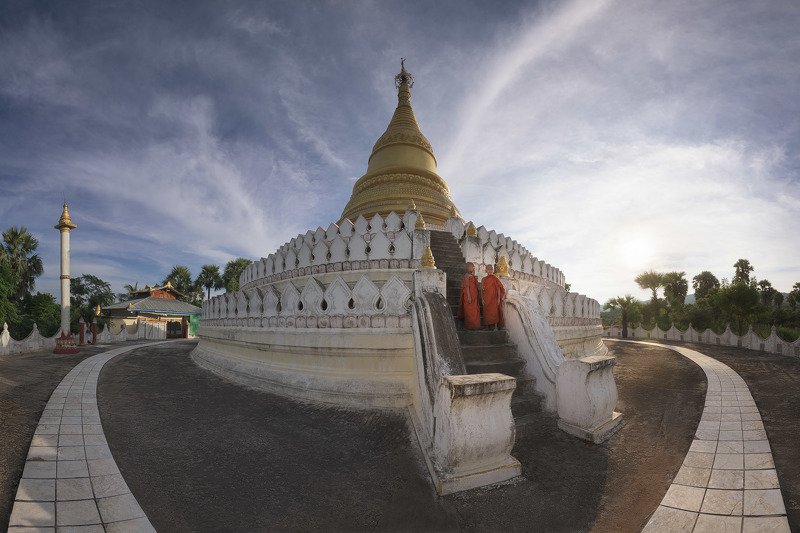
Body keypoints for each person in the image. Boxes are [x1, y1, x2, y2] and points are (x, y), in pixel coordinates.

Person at [481, 264, 506, 330]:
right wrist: (482, 299)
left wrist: (498, 299)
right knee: (486, 312)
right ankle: (486, 326)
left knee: (493, 313)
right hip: (486, 298)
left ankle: (492, 326)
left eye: (491, 269)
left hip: (493, 299)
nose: (490, 270)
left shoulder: (495, 278)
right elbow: (481, 290)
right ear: (486, 270)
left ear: (493, 270)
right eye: (488, 269)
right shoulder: (483, 279)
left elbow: (499, 288)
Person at [457, 262, 481, 330]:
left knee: (474, 311)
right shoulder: (467, 276)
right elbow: (467, 286)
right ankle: (469, 326)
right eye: (471, 267)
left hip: (474, 296)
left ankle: (475, 326)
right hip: (469, 295)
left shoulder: (472, 275)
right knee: (469, 312)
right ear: (467, 268)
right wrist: (469, 297)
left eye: (473, 267)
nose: (472, 268)